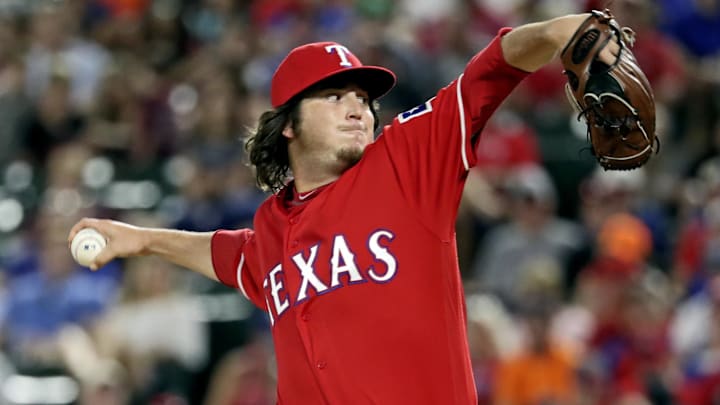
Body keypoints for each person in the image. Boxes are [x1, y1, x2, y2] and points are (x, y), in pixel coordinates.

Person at [69, 12, 622, 404]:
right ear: (287, 124)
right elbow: (227, 254)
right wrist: (139, 238)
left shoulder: (406, 164)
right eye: (334, 96)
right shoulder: (271, 228)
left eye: (362, 98)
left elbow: (488, 74)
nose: (357, 108)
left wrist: (554, 31)